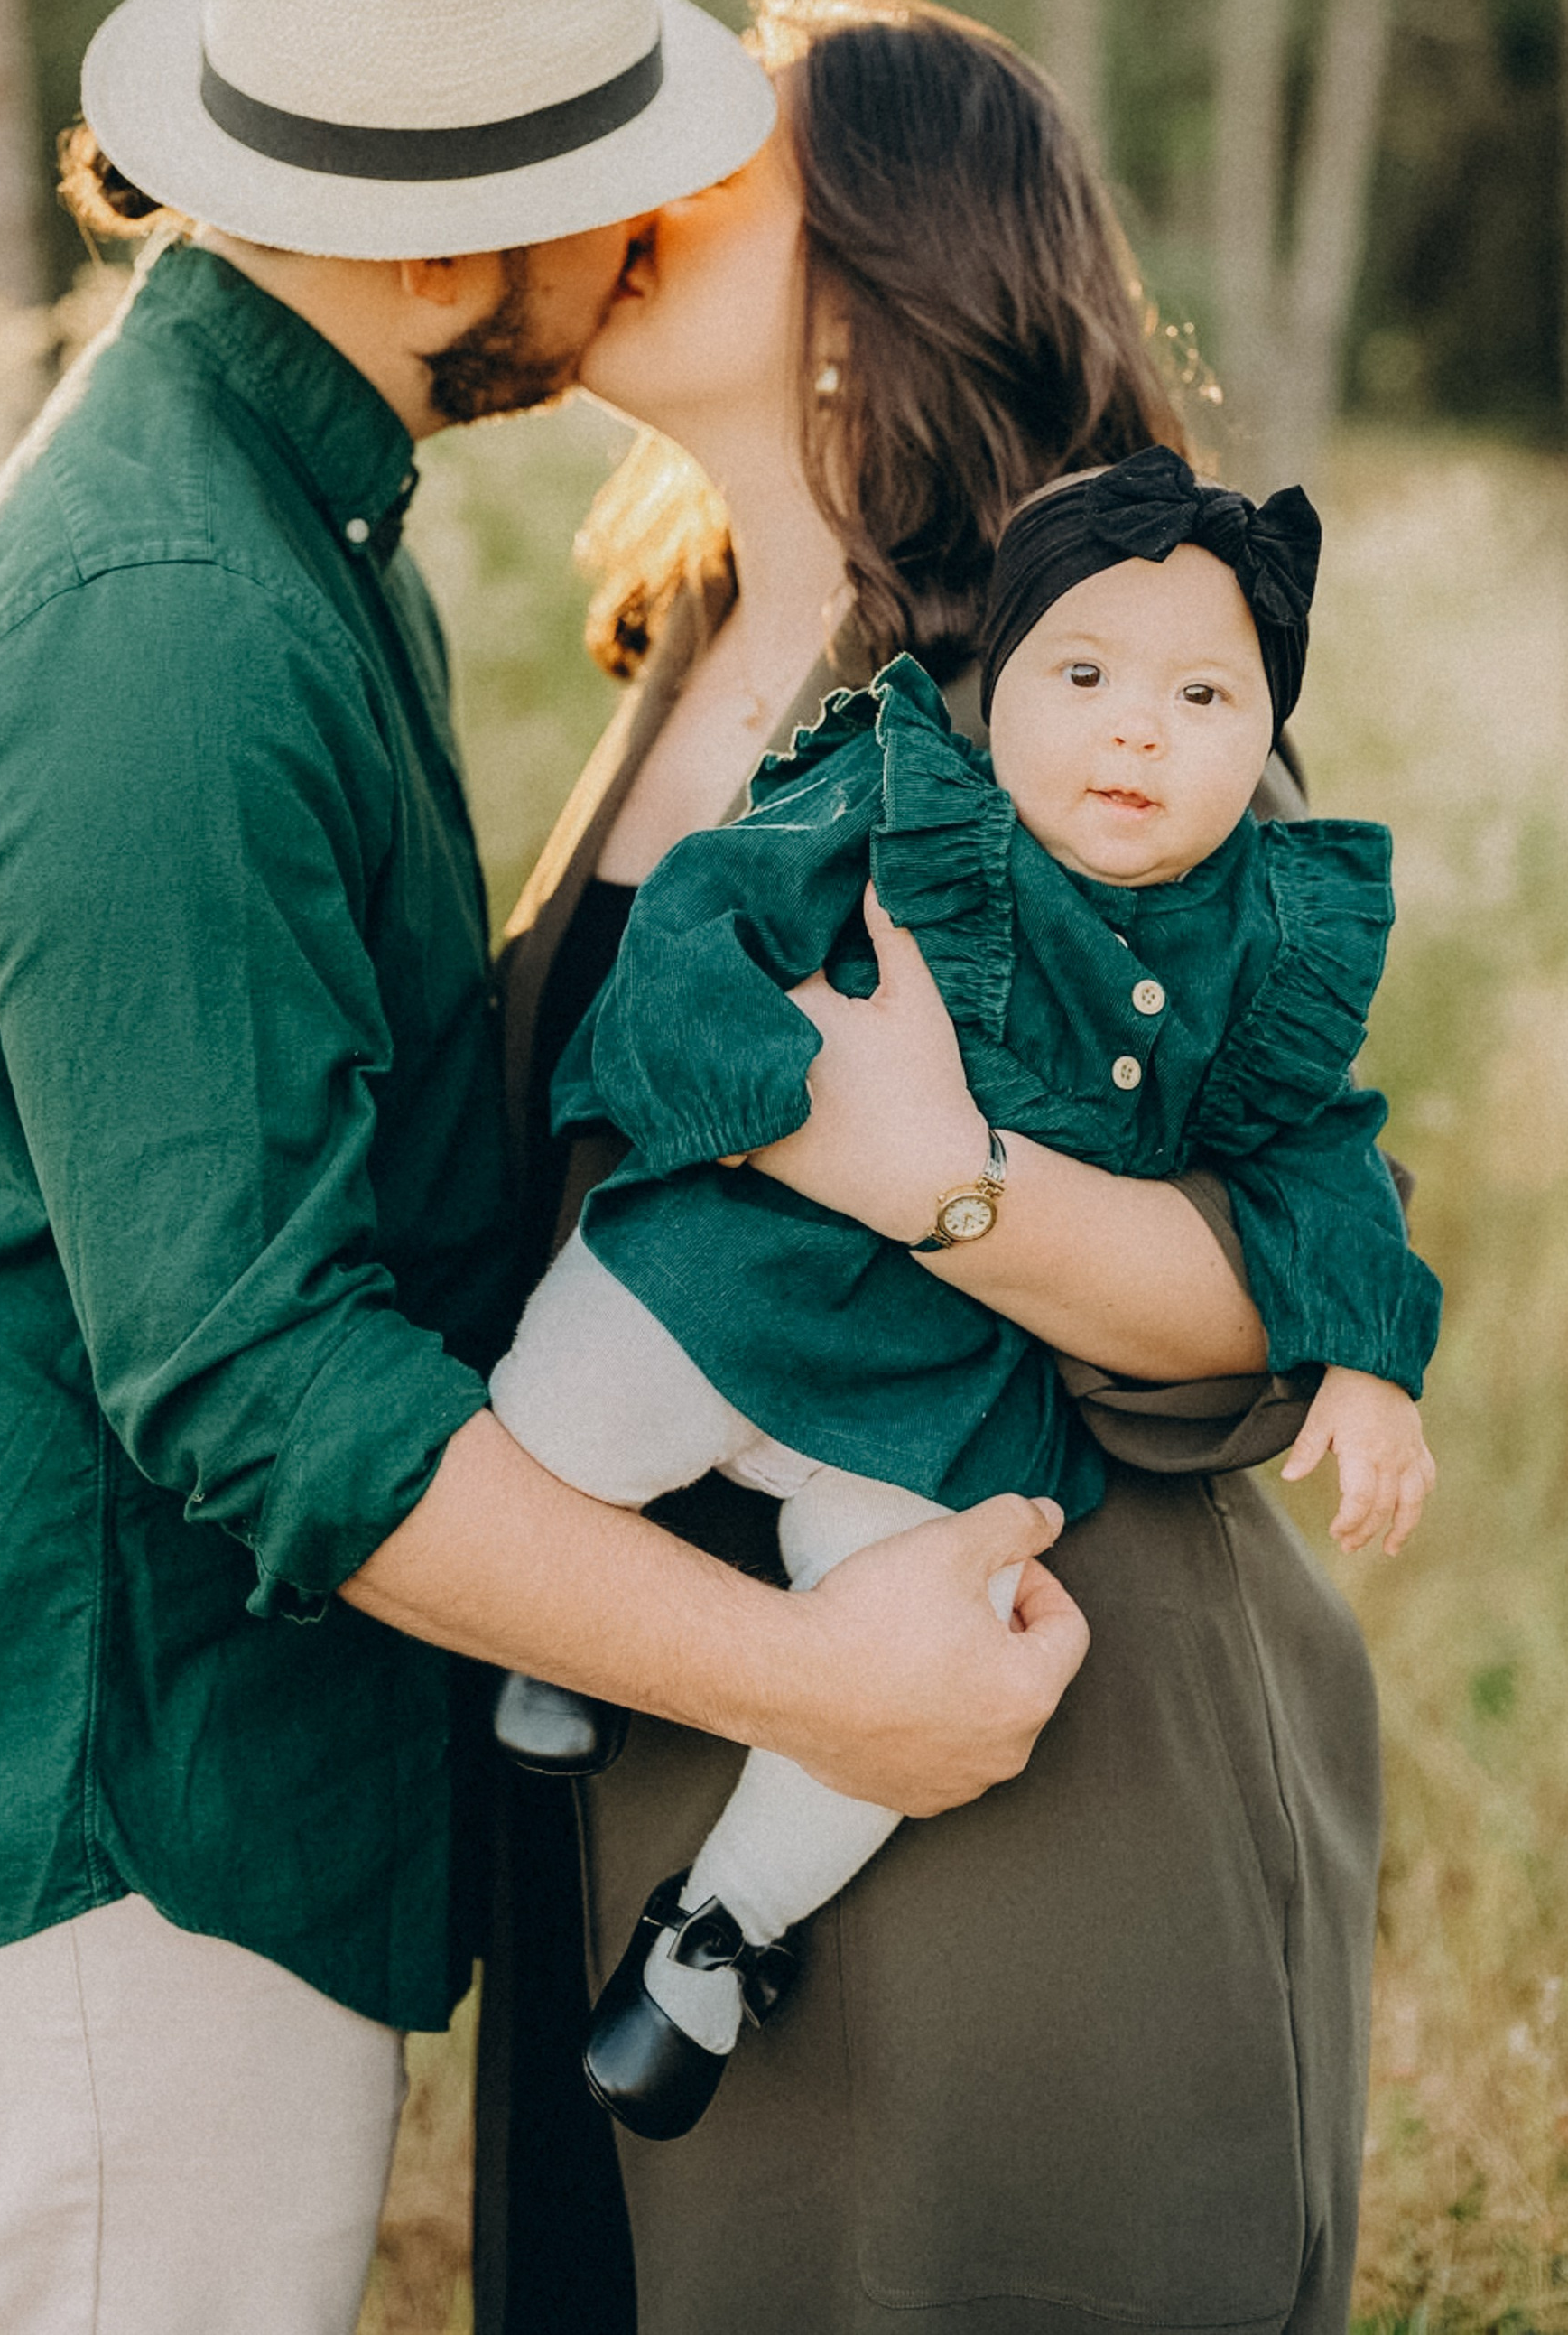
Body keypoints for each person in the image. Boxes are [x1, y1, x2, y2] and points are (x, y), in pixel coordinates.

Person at [0, 0, 1084, 2335]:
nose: (645, 236)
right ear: (466, 224)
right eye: (626, 177)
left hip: (222, 1780)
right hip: (123, 1812)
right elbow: (256, 1375)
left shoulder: (293, 532)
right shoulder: (165, 620)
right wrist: (822, 1684)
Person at [478, 0, 1399, 2335]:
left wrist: (939, 1175)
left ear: (887, 259)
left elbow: (1261, 1281)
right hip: (660, 1736)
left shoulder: (1086, 678)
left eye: (715, 165)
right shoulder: (696, 631)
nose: (629, 199)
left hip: (1028, 1795)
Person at [488, 447, 1439, 2135]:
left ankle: (715, 1937)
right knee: (576, 1368)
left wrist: (1371, 1364)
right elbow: (698, 920)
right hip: (744, 1272)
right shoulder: (897, 790)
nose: (1137, 729)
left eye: (1205, 694)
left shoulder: (1258, 945)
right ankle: (559, 1639)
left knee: (944, 1647)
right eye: (1083, 678)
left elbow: (1322, 1162)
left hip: (936, 1401)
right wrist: (757, 1101)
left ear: (1266, 734)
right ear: (999, 686)